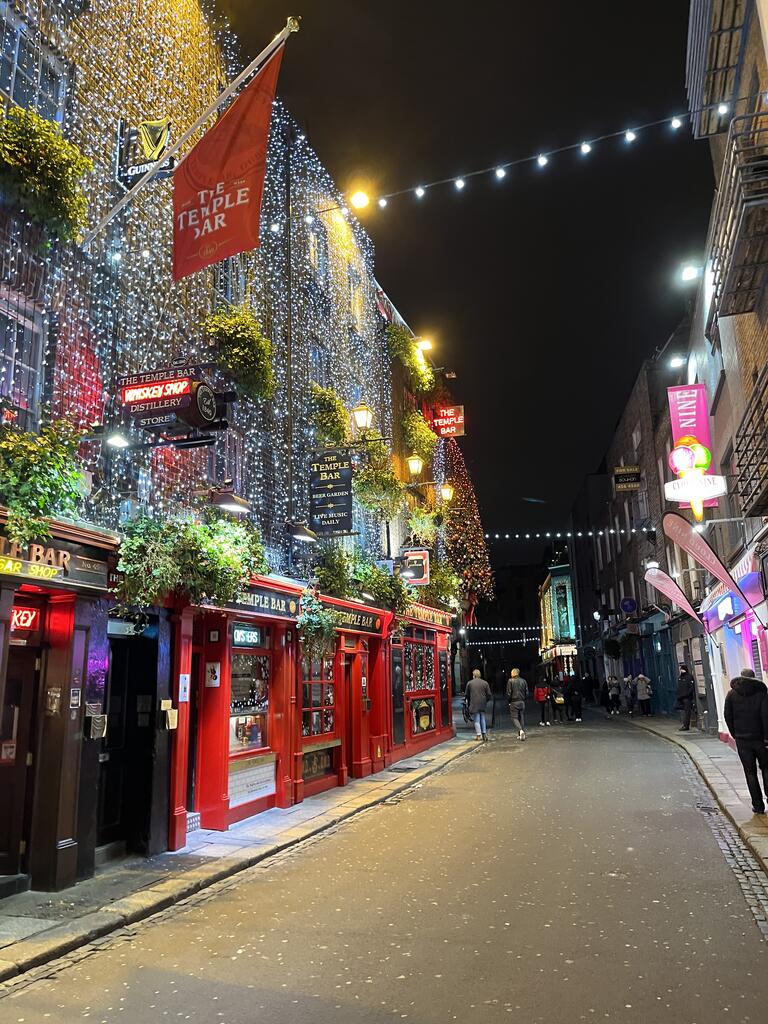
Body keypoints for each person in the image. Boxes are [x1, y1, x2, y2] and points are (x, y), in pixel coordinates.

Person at [724, 674, 768, 815]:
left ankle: (758, 805)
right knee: (766, 769)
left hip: (743, 740)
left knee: (750, 773)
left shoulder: (731, 695)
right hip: (761, 739)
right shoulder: (761, 694)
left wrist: (734, 733)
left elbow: (727, 715)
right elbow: (765, 716)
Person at [465, 669, 492, 742]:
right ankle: (484, 734)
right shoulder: (485, 683)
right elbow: (489, 694)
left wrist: (469, 701)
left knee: (476, 719)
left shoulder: (469, 683)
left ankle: (478, 734)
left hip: (474, 703)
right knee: (482, 718)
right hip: (482, 703)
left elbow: (466, 694)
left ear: (473, 675)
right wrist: (485, 701)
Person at [506, 668, 528, 741]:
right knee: (521, 717)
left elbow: (509, 693)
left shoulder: (510, 681)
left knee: (514, 718)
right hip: (522, 701)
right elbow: (527, 692)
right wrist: (524, 699)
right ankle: (522, 733)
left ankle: (520, 731)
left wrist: (509, 701)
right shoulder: (524, 681)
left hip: (514, 702)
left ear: (513, 673)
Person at [676, 664, 695, 731]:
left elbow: (691, 688)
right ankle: (684, 724)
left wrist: (685, 695)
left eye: (681, 669)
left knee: (687, 712)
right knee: (683, 711)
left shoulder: (689, 677)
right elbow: (679, 687)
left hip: (687, 698)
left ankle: (686, 725)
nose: (681, 670)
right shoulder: (680, 677)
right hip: (681, 698)